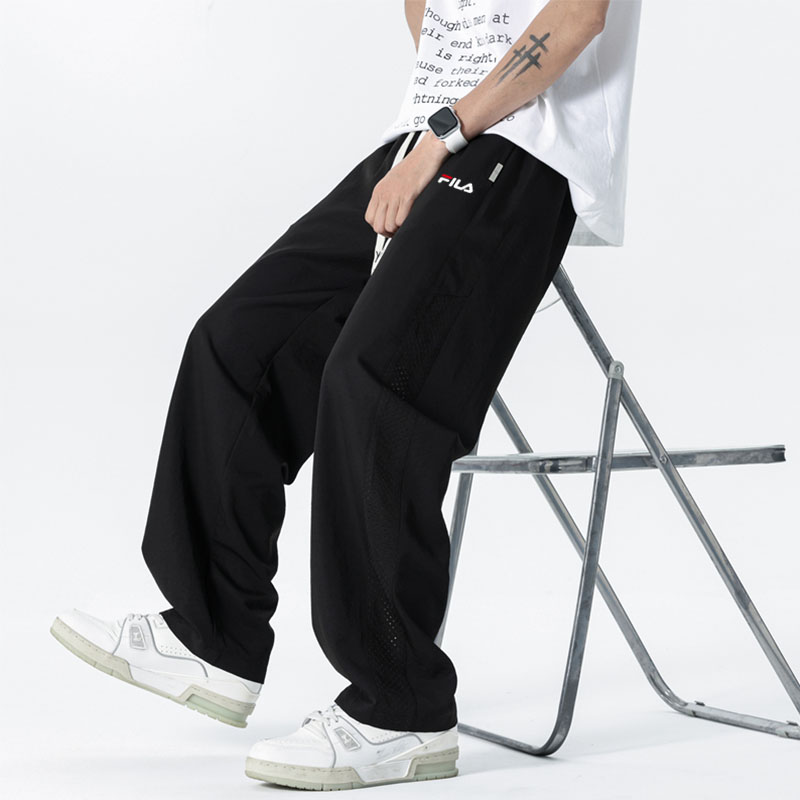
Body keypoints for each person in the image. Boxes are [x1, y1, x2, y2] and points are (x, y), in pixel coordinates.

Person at [51, 0, 641, 791]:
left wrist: (448, 134)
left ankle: (402, 707)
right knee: (238, 343)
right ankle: (212, 632)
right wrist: (435, 134)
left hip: (524, 152)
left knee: (372, 382)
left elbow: (577, 18)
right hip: (427, 142)